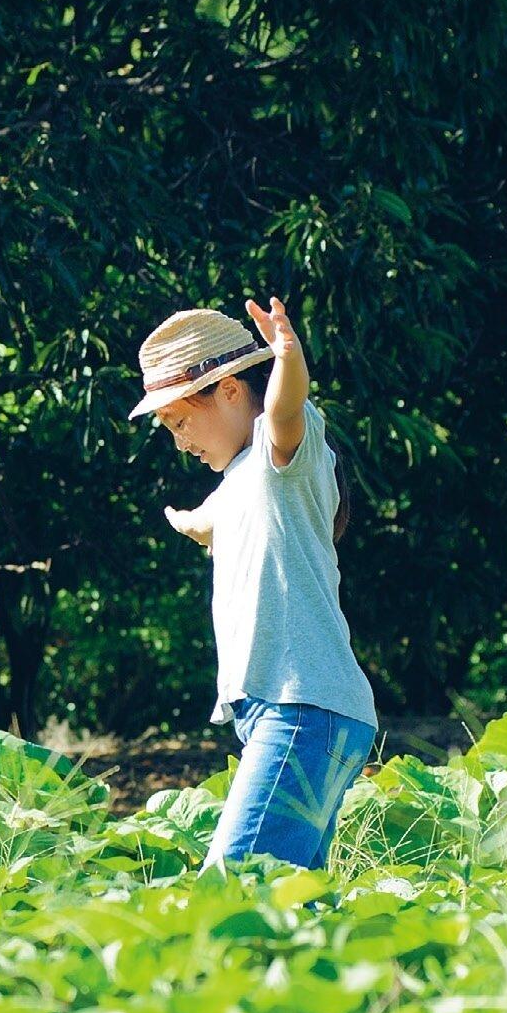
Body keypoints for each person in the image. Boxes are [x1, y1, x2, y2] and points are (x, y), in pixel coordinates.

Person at [140, 300, 378, 869]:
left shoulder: (281, 457)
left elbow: (285, 409)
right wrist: (188, 522)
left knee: (232, 893)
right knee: (290, 903)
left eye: (179, 420)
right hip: (306, 710)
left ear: (227, 390)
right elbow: (208, 518)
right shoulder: (240, 482)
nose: (178, 441)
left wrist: (286, 360)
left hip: (301, 706)